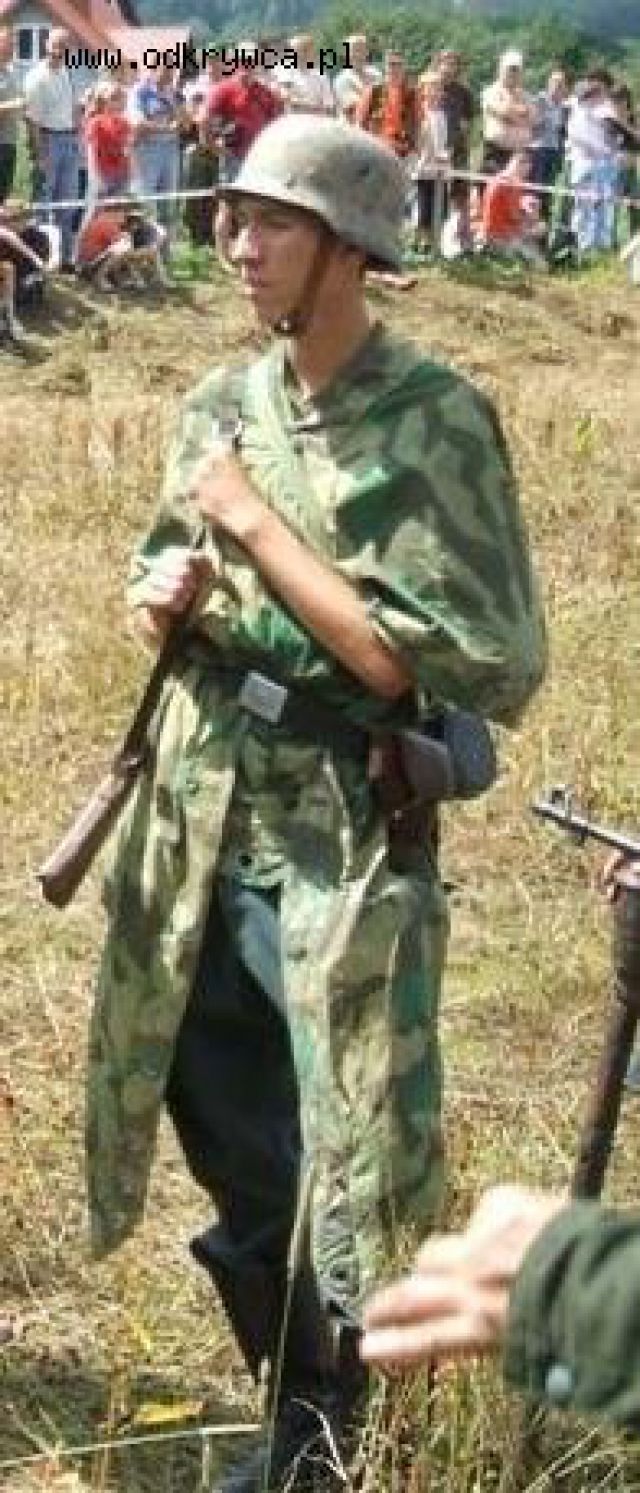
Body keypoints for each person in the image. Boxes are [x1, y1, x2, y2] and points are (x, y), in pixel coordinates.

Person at [87, 114, 546, 1492]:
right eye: (233, 219)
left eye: (272, 224)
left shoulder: (433, 419)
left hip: (336, 832)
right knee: (223, 1120)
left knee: (360, 1146)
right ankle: (305, 1414)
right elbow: (166, 569)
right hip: (200, 813)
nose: (238, 246)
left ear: (349, 251)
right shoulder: (219, 403)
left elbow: (432, 660)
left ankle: (382, 1437)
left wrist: (253, 523)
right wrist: (161, 593)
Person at [24, 28, 79, 270]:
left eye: (65, 46)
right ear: (47, 45)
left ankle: (65, 259)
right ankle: (40, 260)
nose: (60, 50)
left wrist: (77, 137)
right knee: (43, 205)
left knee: (67, 205)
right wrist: (40, 155)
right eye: (57, 44)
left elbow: (72, 108)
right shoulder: (36, 77)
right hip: (48, 140)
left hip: (69, 139)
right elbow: (33, 121)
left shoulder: (67, 72)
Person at [481, 149, 547, 265]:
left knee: (537, 228)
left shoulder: (506, 178)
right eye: (526, 165)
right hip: (500, 235)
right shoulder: (508, 183)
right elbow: (515, 216)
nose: (528, 171)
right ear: (516, 163)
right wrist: (532, 218)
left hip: (500, 231)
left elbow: (511, 210)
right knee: (539, 229)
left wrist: (526, 205)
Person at [356, 50, 420, 161]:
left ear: (404, 67)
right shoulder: (373, 91)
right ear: (385, 66)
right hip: (377, 150)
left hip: (404, 152)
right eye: (391, 64)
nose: (395, 68)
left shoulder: (412, 94)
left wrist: (416, 149)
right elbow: (360, 123)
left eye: (399, 64)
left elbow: (417, 124)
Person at [481, 50, 536, 179]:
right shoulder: (490, 91)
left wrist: (515, 114)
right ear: (501, 70)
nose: (513, 73)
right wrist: (521, 112)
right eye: (510, 69)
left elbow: (533, 119)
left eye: (517, 70)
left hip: (520, 155)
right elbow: (503, 112)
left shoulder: (526, 95)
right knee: (493, 189)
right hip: (497, 153)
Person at [274, 34, 335, 116]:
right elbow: (287, 98)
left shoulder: (321, 75)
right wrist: (313, 106)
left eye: (303, 50)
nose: (295, 55)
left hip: (319, 118)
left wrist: (320, 108)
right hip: (295, 118)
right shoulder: (284, 72)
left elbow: (329, 103)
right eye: (293, 51)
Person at [333, 33, 380, 122]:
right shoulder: (342, 79)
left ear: (367, 52)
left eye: (362, 50)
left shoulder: (376, 74)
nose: (359, 54)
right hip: (353, 127)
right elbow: (354, 108)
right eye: (355, 50)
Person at [0, 25, 23, 205]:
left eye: (14, 44)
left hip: (9, 142)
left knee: (3, 195)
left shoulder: (11, 73)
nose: (13, 48)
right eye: (8, 43)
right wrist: (13, 104)